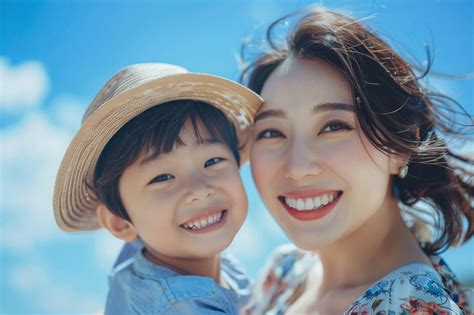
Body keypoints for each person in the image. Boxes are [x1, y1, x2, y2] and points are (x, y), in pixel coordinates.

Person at [240, 7, 473, 314]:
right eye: (271, 132)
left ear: (401, 145)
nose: (297, 168)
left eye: (334, 126)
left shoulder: (415, 306)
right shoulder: (286, 271)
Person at [52, 63, 262, 314]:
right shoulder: (180, 306)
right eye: (162, 177)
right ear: (120, 222)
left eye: (212, 161)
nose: (199, 189)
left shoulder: (151, 254)